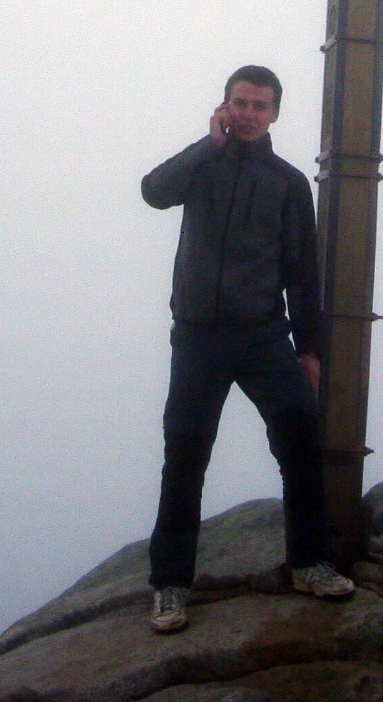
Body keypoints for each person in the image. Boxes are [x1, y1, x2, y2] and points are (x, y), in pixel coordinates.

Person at [141, 64, 354, 633]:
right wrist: (206, 145)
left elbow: (303, 271)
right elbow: (153, 192)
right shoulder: (200, 167)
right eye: (241, 103)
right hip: (198, 336)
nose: (250, 114)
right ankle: (170, 585)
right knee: (185, 457)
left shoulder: (288, 183)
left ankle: (308, 563)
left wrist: (309, 350)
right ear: (224, 107)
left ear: (276, 113)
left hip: (263, 335)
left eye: (261, 106)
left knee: (300, 439)